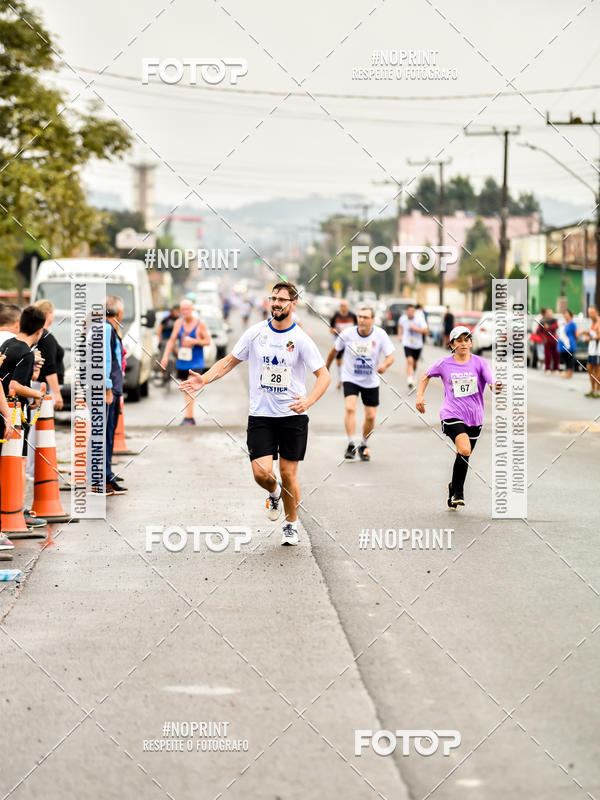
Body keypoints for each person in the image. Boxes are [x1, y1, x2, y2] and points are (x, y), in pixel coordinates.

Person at [179, 281, 330, 546]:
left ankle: (291, 525)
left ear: (293, 304)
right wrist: (203, 379)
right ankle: (273, 493)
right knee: (262, 473)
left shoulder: (301, 339)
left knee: (289, 474)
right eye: (273, 298)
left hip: (292, 416)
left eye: (282, 300)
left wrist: (308, 401)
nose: (276, 303)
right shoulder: (255, 333)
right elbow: (228, 362)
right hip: (261, 416)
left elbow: (324, 376)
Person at [415, 325, 501, 509]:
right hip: (451, 414)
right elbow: (425, 375)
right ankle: (458, 493)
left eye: (466, 340)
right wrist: (419, 396)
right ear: (452, 344)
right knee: (464, 449)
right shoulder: (444, 364)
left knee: (463, 453)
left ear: (471, 342)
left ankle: (453, 486)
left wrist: (495, 386)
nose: (463, 344)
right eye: (459, 340)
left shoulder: (479, 363)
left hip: (475, 417)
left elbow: (491, 380)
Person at [325, 306, 394, 462]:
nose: (361, 320)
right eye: (360, 316)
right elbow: (333, 351)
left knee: (371, 416)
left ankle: (363, 445)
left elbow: (390, 356)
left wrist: (385, 365)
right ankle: (350, 444)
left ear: (372, 320)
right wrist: (326, 369)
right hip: (350, 377)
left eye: (365, 317)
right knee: (350, 408)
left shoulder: (380, 334)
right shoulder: (348, 334)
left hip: (371, 380)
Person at [0, 306, 47, 527]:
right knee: (18, 462)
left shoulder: (8, 344)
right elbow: (15, 385)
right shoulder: (26, 352)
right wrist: (38, 393)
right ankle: (16, 510)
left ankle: (11, 508)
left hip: (6, 411)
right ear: (39, 331)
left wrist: (33, 374)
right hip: (16, 414)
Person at [25, 300, 65, 479]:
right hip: (43, 388)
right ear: (48, 314)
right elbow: (49, 368)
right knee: (38, 430)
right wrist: (56, 393)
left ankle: (39, 466)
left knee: (39, 430)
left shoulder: (41, 335)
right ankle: (33, 469)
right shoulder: (45, 336)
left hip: (38, 386)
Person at [160, 299, 211, 425]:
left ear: (192, 309)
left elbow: (208, 341)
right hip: (183, 361)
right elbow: (172, 340)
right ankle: (189, 416)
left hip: (196, 362)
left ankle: (189, 417)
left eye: (187, 309)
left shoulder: (200, 324)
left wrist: (195, 341)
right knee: (186, 388)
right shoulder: (178, 323)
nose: (185, 312)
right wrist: (165, 356)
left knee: (189, 387)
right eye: (183, 310)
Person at [103, 296, 127, 495]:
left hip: (114, 387)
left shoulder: (108, 328)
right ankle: (103, 478)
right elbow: (105, 361)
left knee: (109, 433)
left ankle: (107, 473)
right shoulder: (106, 329)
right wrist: (108, 388)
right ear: (118, 313)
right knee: (105, 434)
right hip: (108, 390)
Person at [397, 304, 428, 390]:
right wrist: (399, 335)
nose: (411, 313)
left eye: (412, 311)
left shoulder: (419, 319)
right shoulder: (402, 318)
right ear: (407, 311)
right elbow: (400, 326)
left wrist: (415, 329)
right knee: (409, 360)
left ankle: (414, 372)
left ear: (414, 312)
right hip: (407, 343)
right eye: (409, 311)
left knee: (414, 362)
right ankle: (410, 379)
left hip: (417, 344)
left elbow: (425, 331)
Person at [329, 300, 358, 389]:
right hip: (339, 341)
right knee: (339, 361)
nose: (343, 307)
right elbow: (331, 329)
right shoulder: (335, 316)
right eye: (341, 306)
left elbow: (358, 328)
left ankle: (353, 379)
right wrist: (338, 331)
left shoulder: (353, 316)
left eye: (345, 306)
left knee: (353, 360)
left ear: (348, 306)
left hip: (351, 342)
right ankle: (341, 380)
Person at [579, 305, 600, 397]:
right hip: (592, 351)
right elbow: (593, 333)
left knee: (597, 370)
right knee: (589, 368)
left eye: (592, 313)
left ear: (597, 313)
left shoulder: (599, 322)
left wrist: (589, 339)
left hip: (598, 351)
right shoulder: (593, 322)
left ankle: (597, 391)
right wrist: (584, 332)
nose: (590, 315)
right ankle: (592, 389)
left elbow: (599, 336)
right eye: (589, 313)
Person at [557, 309, 577, 379]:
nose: (565, 315)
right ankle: (562, 372)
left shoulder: (572, 324)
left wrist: (574, 342)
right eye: (564, 314)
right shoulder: (563, 323)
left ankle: (569, 373)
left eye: (567, 314)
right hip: (562, 345)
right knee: (562, 359)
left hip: (570, 345)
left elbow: (575, 334)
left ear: (570, 315)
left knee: (569, 359)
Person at [540, 308, 559, 373]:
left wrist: (549, 327)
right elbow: (539, 330)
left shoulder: (554, 320)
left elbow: (556, 326)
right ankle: (547, 368)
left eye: (550, 313)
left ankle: (556, 369)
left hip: (554, 339)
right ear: (546, 314)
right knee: (547, 355)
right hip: (547, 339)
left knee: (556, 354)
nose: (549, 314)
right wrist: (542, 337)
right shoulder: (542, 321)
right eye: (548, 313)